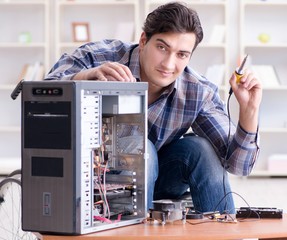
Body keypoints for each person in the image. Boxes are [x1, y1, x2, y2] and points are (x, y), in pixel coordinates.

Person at [45, 2, 262, 214]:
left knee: (199, 149)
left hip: (159, 182)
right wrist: (84, 78)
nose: (168, 64)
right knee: (142, 148)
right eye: (162, 47)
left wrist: (249, 110)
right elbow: (40, 94)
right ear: (143, 40)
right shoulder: (99, 57)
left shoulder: (198, 91)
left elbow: (239, 167)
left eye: (181, 55)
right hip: (97, 181)